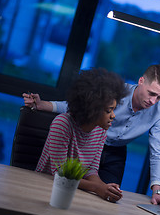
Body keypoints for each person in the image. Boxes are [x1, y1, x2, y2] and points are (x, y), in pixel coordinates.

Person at [23, 64, 160, 207]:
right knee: (82, 192)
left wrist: (157, 191)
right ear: (141, 81)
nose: (154, 101)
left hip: (113, 150)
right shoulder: (115, 92)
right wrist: (43, 105)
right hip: (78, 149)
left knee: (106, 199)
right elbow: (78, 106)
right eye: (152, 93)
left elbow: (158, 153)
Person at [36, 68, 128, 203]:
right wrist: (97, 188)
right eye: (109, 110)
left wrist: (105, 187)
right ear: (92, 108)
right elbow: (60, 175)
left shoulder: (101, 130)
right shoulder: (62, 124)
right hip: (45, 189)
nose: (113, 116)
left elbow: (91, 170)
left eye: (113, 110)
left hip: (72, 191)